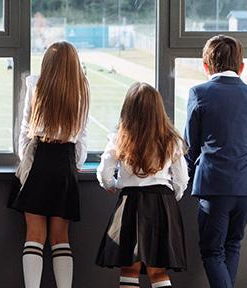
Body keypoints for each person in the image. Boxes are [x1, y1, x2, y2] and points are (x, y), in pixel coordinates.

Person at [185, 35, 247, 288]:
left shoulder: (199, 93)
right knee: (232, 245)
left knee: (211, 252)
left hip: (215, 186)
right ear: (241, 67)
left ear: (206, 65)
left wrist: (184, 175)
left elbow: (192, 144)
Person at [10, 41, 89, 288]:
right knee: (60, 238)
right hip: (65, 164)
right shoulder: (82, 89)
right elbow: (82, 136)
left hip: (39, 160)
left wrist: (27, 158)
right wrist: (75, 161)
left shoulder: (35, 84)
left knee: (34, 236)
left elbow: (24, 130)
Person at [96, 83, 188, 288]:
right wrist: (172, 199)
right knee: (158, 270)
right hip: (162, 203)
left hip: (131, 203)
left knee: (129, 267)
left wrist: (111, 185)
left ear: (127, 109)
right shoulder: (171, 140)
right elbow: (181, 179)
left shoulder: (120, 137)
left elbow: (104, 172)